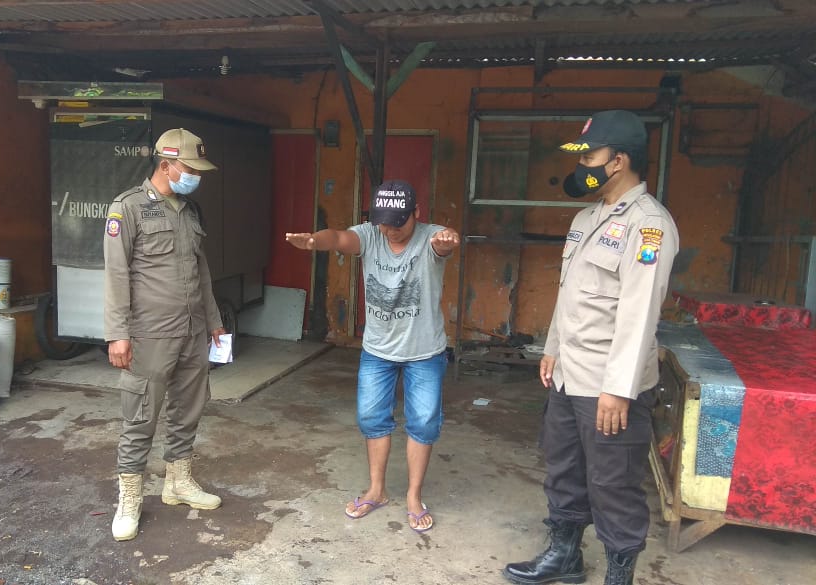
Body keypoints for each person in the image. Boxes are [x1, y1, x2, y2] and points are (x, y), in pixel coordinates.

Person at [503, 110, 679, 585]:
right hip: (569, 375)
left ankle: (619, 575)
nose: (582, 168)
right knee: (563, 469)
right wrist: (552, 348)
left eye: (590, 158)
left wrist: (618, 389)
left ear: (618, 161)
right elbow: (570, 293)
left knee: (612, 483)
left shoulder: (649, 226)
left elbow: (639, 314)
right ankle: (565, 558)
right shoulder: (586, 217)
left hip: (608, 384)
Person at [286, 179, 460, 532]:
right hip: (378, 350)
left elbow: (448, 240)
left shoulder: (431, 237)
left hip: (424, 351)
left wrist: (449, 240)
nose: (390, 230)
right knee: (371, 418)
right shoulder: (369, 235)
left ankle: (413, 496)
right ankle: (377, 490)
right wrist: (315, 241)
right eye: (384, 223)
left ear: (416, 213)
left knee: (424, 422)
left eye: (398, 222)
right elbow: (338, 238)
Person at [104, 128, 227, 541]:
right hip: (150, 334)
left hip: (192, 330)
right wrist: (117, 333)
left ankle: (178, 482)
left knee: (188, 409)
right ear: (166, 165)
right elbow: (116, 274)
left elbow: (201, 270)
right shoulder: (128, 208)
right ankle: (129, 498)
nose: (196, 176)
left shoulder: (190, 211)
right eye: (190, 169)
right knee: (140, 416)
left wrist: (213, 320)